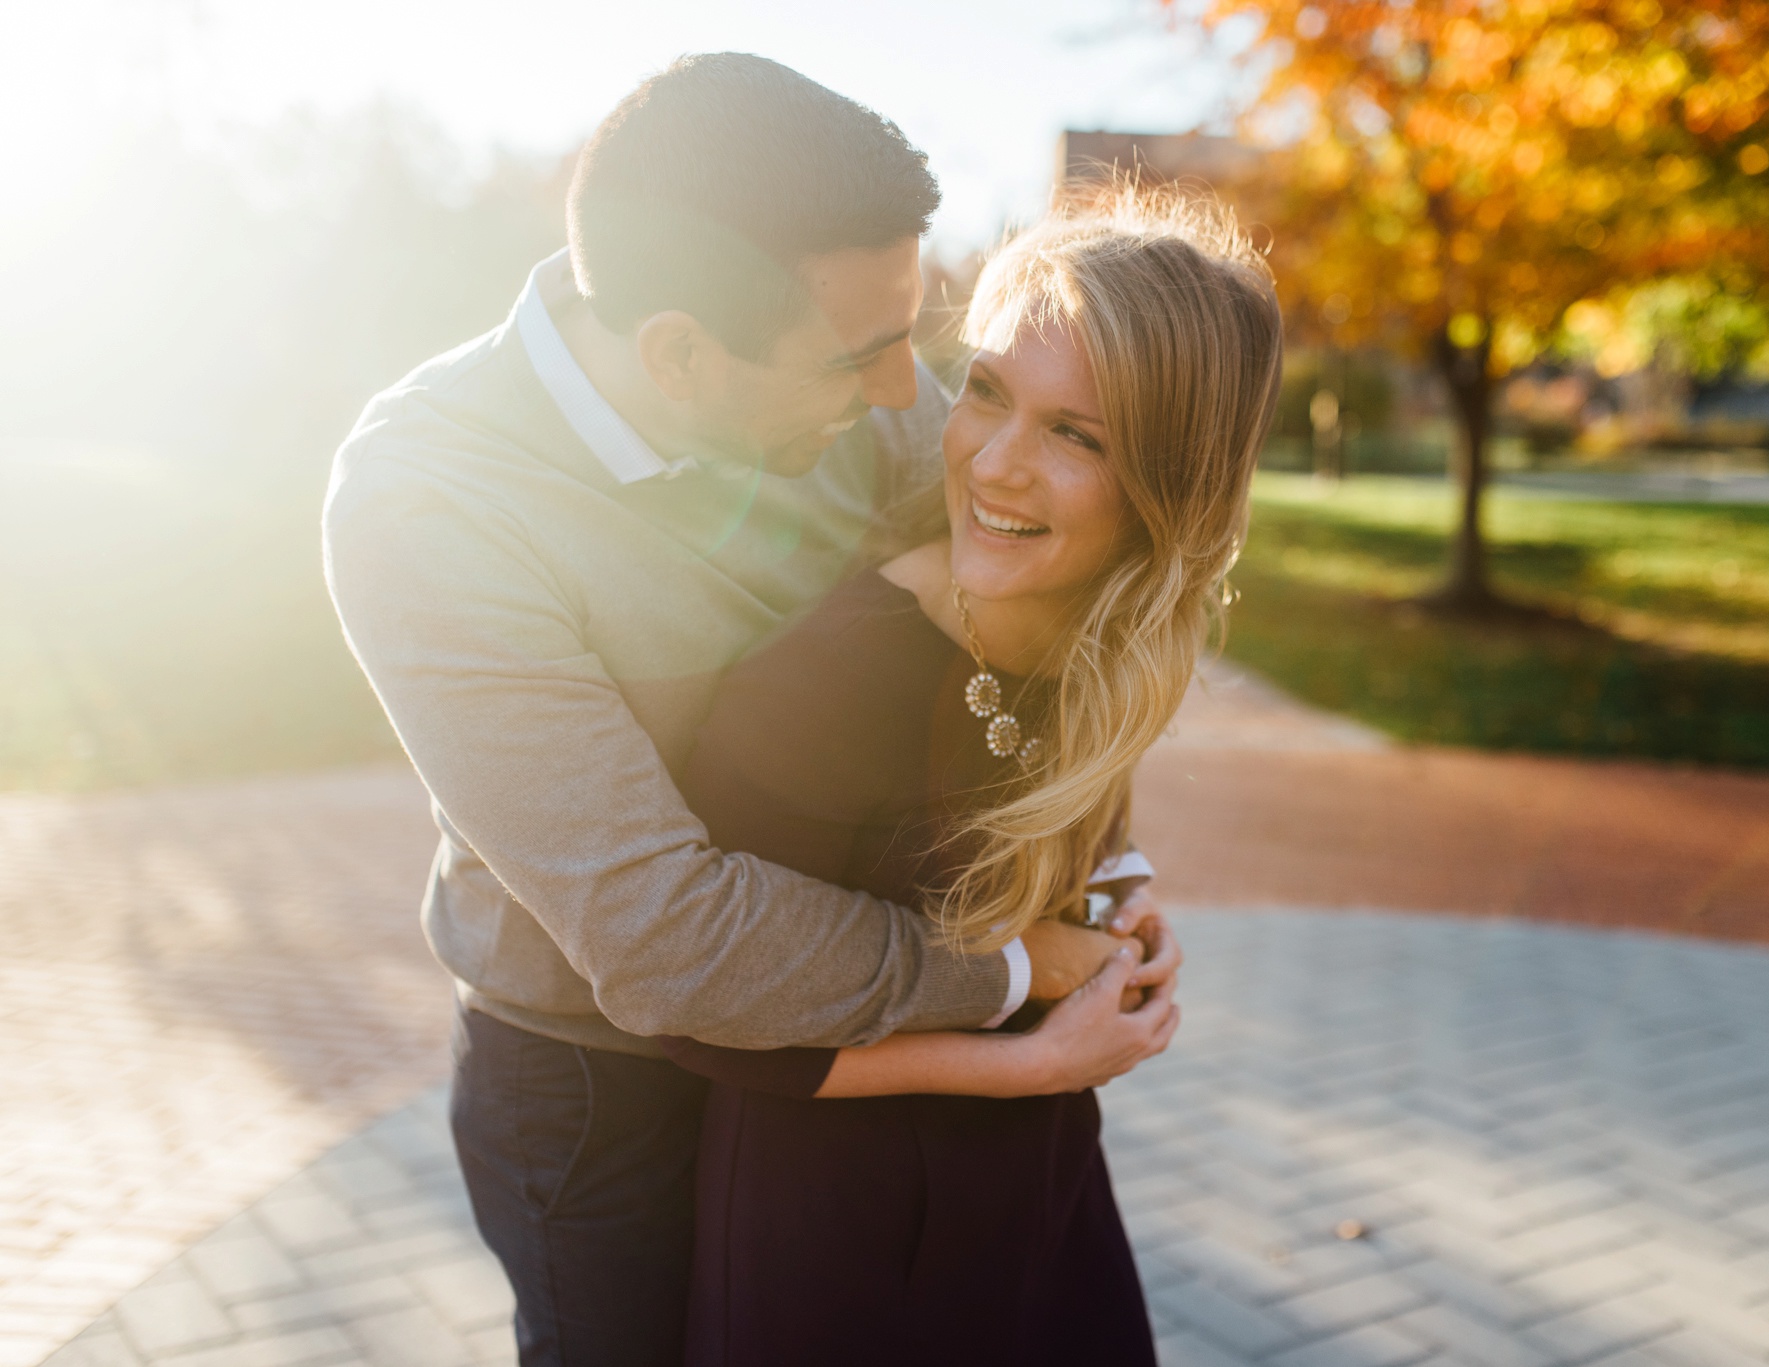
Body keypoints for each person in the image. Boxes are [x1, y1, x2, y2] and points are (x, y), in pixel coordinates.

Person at [322, 54, 1176, 1365]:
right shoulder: (432, 506)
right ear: (680, 352)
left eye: (915, 330)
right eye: (864, 354)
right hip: (598, 1089)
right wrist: (1011, 972)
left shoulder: (856, 404)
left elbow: (1026, 601)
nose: (913, 397)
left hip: (833, 1061)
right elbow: (668, 939)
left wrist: (1102, 864)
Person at [659, 190, 1285, 1367]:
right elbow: (707, 1025)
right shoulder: (824, 681)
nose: (995, 463)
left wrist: (1120, 889)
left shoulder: (1090, 629)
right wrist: (1032, 1055)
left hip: (1037, 1194)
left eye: (1076, 434)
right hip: (837, 1239)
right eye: (986, 391)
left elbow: (1067, 813)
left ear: (1172, 484)